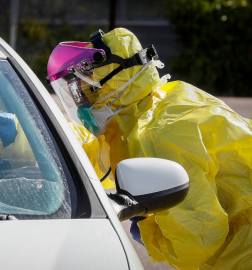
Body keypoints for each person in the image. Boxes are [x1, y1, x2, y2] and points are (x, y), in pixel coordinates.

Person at [46, 28, 252, 269]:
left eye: (86, 91)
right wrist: (25, 132)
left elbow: (197, 239)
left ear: (111, 85)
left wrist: (149, 234)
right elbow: (90, 149)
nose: (82, 103)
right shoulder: (159, 102)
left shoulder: (158, 135)